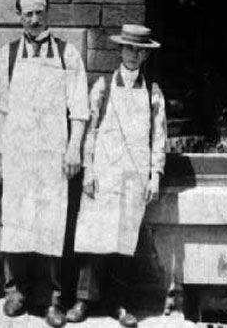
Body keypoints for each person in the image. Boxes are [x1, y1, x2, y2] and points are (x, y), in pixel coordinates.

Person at [0, 0, 89, 327]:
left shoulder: (67, 54)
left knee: (53, 223)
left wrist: (74, 147)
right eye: (27, 13)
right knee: (16, 220)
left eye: (39, 12)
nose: (34, 19)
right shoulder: (8, 55)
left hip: (53, 156)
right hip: (18, 154)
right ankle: (15, 290)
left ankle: (56, 298)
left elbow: (79, 109)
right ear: (19, 16)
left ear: (49, 14)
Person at [65, 24, 167, 328]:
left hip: (133, 177)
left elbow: (158, 138)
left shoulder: (153, 93)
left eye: (140, 51)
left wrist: (155, 176)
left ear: (146, 55)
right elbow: (90, 132)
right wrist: (89, 171)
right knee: (94, 238)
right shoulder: (103, 87)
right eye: (129, 49)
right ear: (120, 50)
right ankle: (84, 300)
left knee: (124, 242)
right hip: (104, 175)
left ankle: (119, 303)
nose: (134, 55)